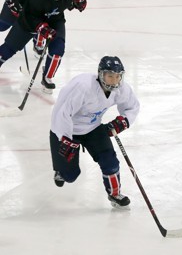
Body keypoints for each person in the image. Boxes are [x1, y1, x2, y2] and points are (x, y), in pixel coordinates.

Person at [50, 56, 140, 208]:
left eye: (118, 76)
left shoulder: (121, 88)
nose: (114, 80)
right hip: (68, 129)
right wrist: (65, 138)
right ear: (100, 74)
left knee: (110, 162)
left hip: (93, 128)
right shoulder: (83, 86)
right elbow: (62, 113)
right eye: (110, 75)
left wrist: (123, 121)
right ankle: (61, 171)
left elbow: (132, 106)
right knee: (70, 176)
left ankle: (114, 194)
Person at [0, 0, 87, 93]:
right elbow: (29, 17)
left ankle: (47, 77)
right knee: (8, 49)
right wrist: (41, 27)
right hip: (29, 23)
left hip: (55, 20)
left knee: (58, 49)